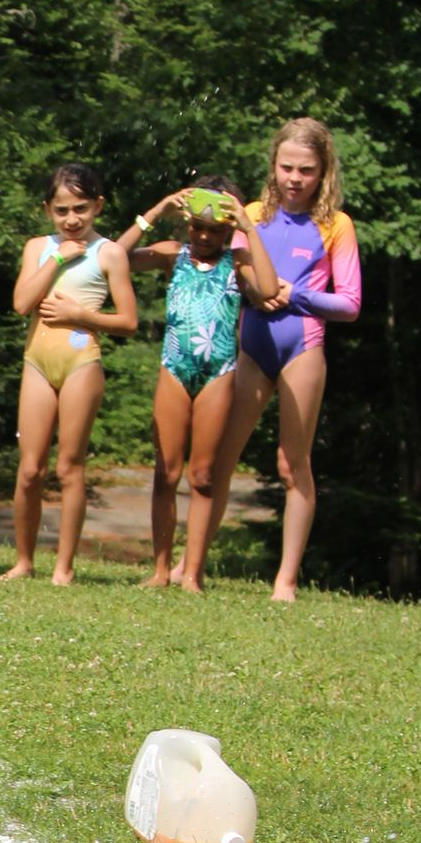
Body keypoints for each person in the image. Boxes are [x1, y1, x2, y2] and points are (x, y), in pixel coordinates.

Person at [194, 117, 361, 601]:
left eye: (306, 170)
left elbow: (350, 304)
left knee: (293, 465)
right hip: (252, 346)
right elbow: (233, 273)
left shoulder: (336, 225)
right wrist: (254, 289)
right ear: (273, 165)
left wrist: (295, 294)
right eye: (287, 167)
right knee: (220, 460)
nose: (295, 178)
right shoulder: (249, 214)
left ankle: (285, 581)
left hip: (301, 348)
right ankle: (192, 567)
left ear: (323, 171)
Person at [115, 178, 279, 590]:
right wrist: (156, 211)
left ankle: (192, 573)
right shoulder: (174, 255)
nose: (205, 237)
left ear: (228, 229)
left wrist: (249, 228)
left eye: (215, 230)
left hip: (218, 373)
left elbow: (269, 288)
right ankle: (160, 570)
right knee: (166, 473)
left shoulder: (237, 262)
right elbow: (114, 258)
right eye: (197, 227)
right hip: (175, 367)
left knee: (203, 476)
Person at [4, 161, 138, 585]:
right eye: (61, 211)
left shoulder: (110, 253)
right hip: (37, 362)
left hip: (81, 362)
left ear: (98, 206)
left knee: (69, 467)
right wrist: (57, 258)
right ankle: (24, 561)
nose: (72, 219)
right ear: (47, 210)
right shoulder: (37, 248)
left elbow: (129, 321)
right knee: (30, 469)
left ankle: (64, 567)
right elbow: (21, 304)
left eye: (80, 209)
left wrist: (81, 315)